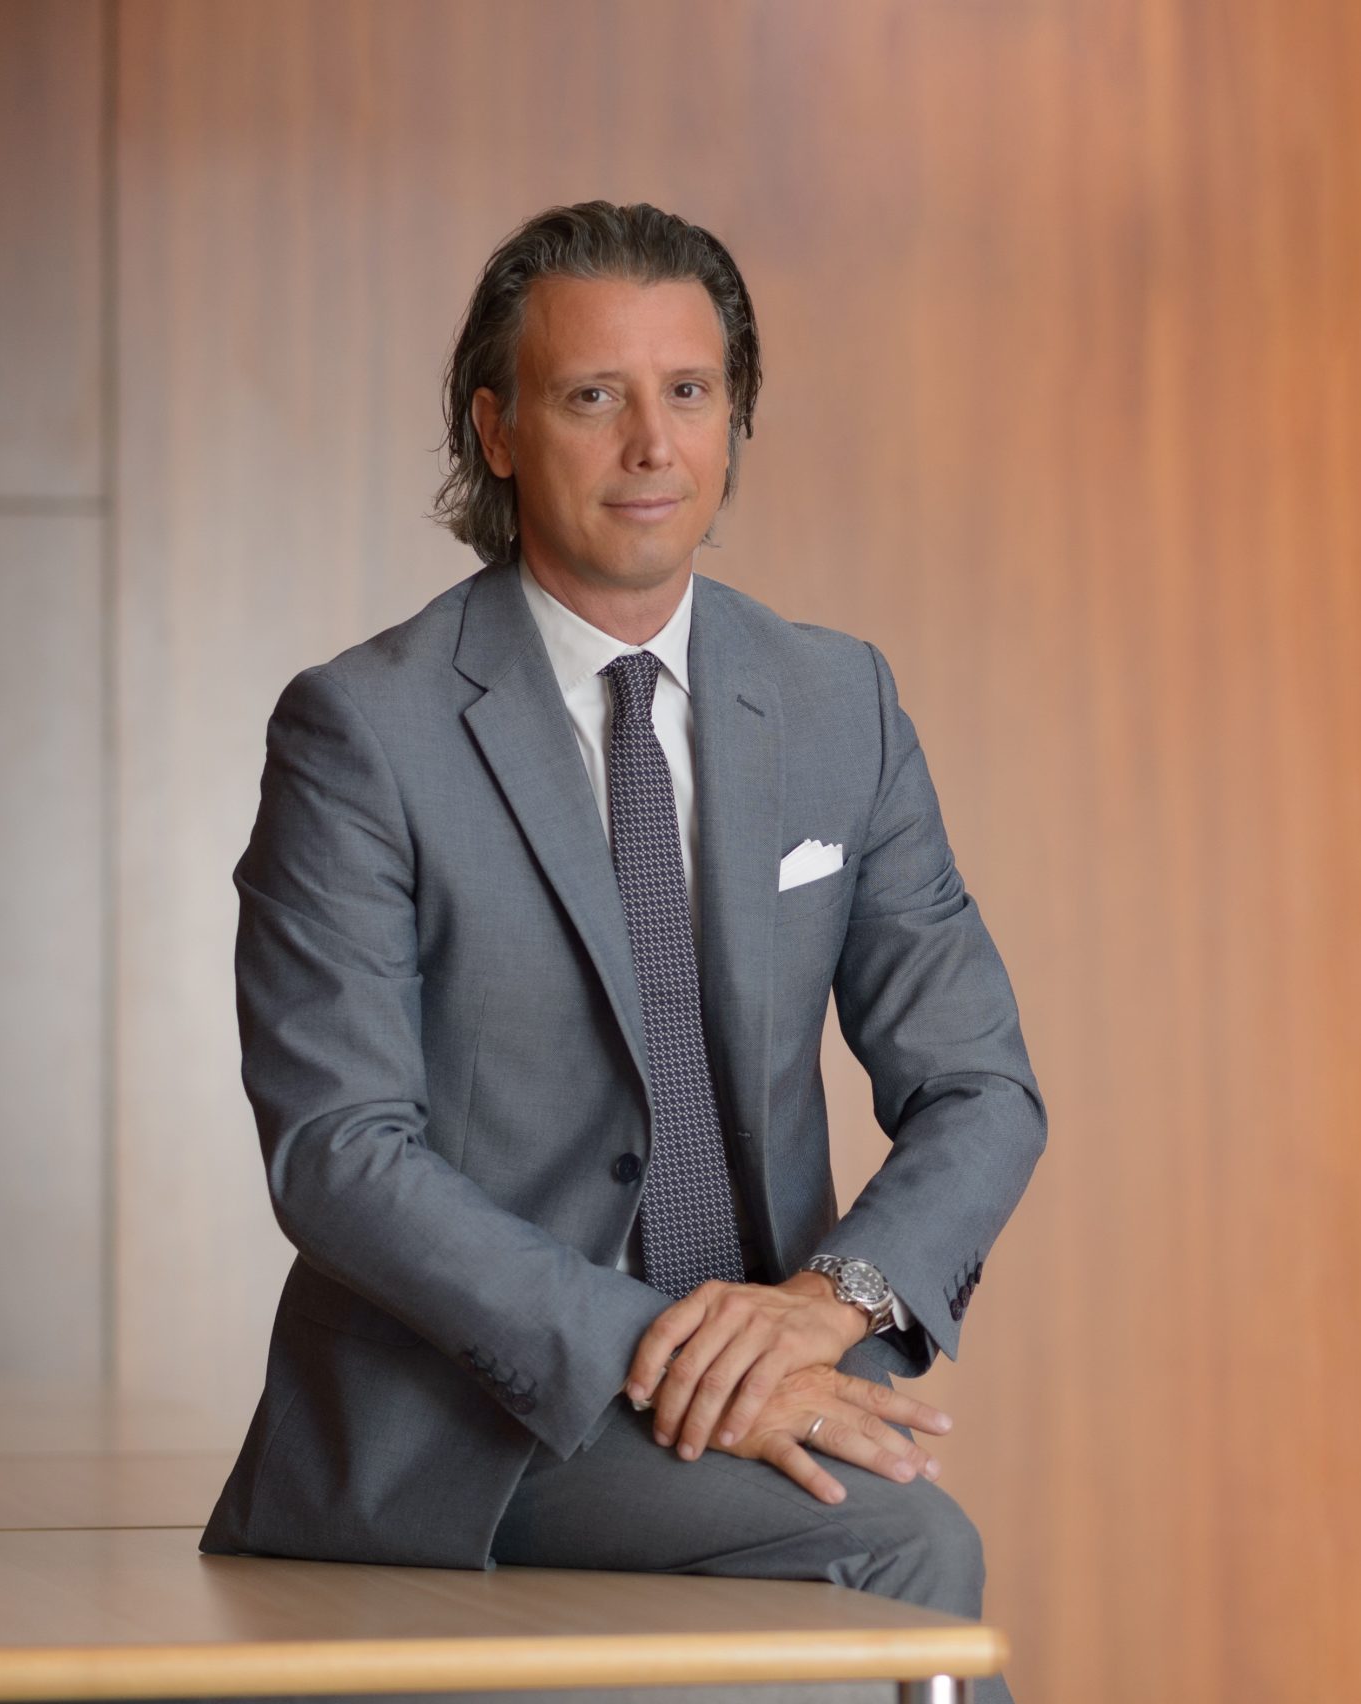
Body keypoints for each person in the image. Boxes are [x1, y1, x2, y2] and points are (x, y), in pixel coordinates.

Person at [198, 200, 1044, 1702]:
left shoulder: (837, 702)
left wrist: (825, 1306)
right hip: (471, 1421)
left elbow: (979, 1086)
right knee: (905, 1547)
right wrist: (670, 1348)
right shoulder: (366, 730)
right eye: (594, 395)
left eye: (689, 391)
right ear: (498, 429)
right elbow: (337, 1150)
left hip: (768, 1356)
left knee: (885, 1538)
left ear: (734, 418)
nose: (653, 444)